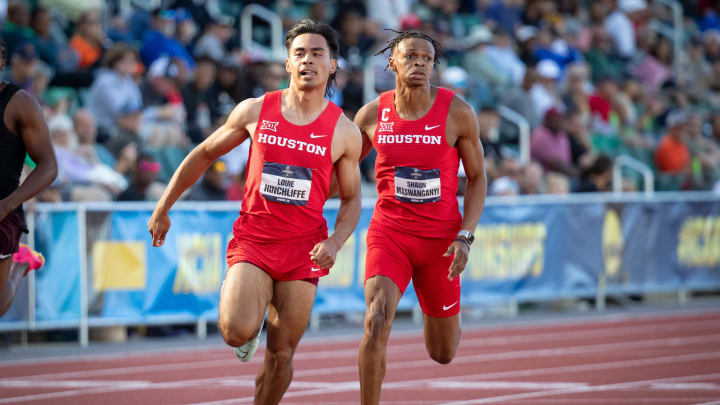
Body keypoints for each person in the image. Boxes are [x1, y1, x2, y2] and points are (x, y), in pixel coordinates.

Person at [147, 19, 362, 404]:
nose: (308, 60)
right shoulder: (255, 110)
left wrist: (336, 241)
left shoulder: (343, 131)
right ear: (287, 63)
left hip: (303, 250)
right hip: (255, 240)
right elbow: (205, 153)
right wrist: (164, 206)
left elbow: (351, 200)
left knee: (282, 355)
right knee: (235, 330)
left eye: (317, 54)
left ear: (333, 66)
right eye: (299, 53)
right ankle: (252, 319)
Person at [353, 30, 487, 404]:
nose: (419, 64)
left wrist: (466, 235)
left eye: (427, 58)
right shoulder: (371, 114)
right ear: (392, 62)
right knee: (376, 319)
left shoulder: (457, 112)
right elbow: (339, 171)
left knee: (442, 353)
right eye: (410, 56)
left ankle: (441, 310)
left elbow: (477, 178)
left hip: (440, 242)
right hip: (389, 234)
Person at [0, 37, 58, 317]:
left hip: (2, 208)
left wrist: (8, 204)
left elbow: (48, 166)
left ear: (2, 62)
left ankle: (21, 263)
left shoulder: (19, 103)